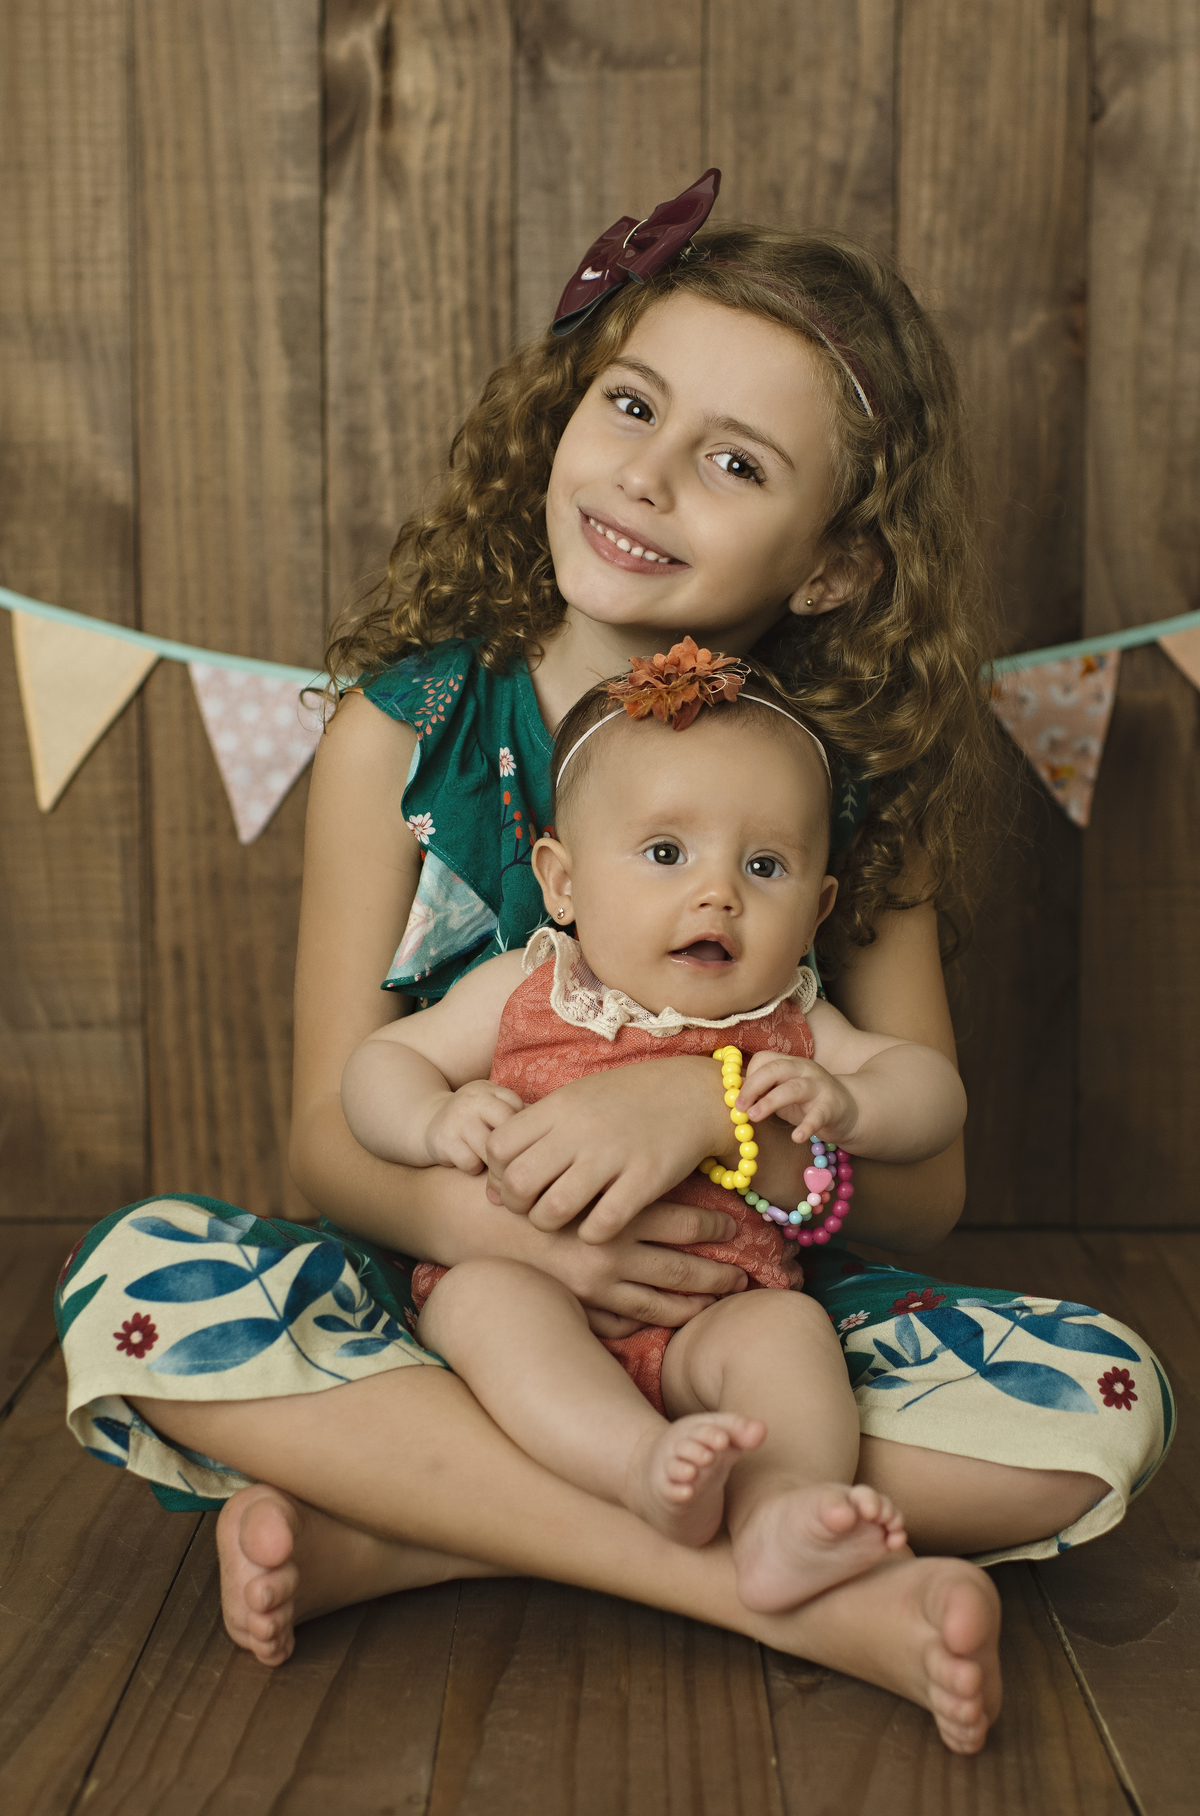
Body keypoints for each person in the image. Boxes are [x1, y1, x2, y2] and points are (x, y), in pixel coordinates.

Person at [55, 175, 1173, 1756]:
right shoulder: (408, 727)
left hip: (751, 1315)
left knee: (1102, 1412)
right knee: (139, 1295)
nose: (646, 476)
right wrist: (528, 1250)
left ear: (837, 566)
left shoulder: (853, 785)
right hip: (455, 1303)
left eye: (732, 461)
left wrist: (705, 1109)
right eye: (631, 404)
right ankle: (791, 1586)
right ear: (566, 410)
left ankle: (411, 1528)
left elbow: (928, 1188)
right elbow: (325, 1137)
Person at [342, 660, 973, 1611]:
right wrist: (434, 1119)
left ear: (818, 911)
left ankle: (783, 1514)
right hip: (536, 1298)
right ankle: (641, 1467)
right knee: (481, 1305)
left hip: (712, 1321)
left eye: (764, 868)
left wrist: (853, 1106)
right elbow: (375, 1068)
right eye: (667, 854)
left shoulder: (790, 1020)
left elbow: (933, 1093)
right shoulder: (531, 985)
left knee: (790, 1334)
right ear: (561, 881)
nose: (717, 895)